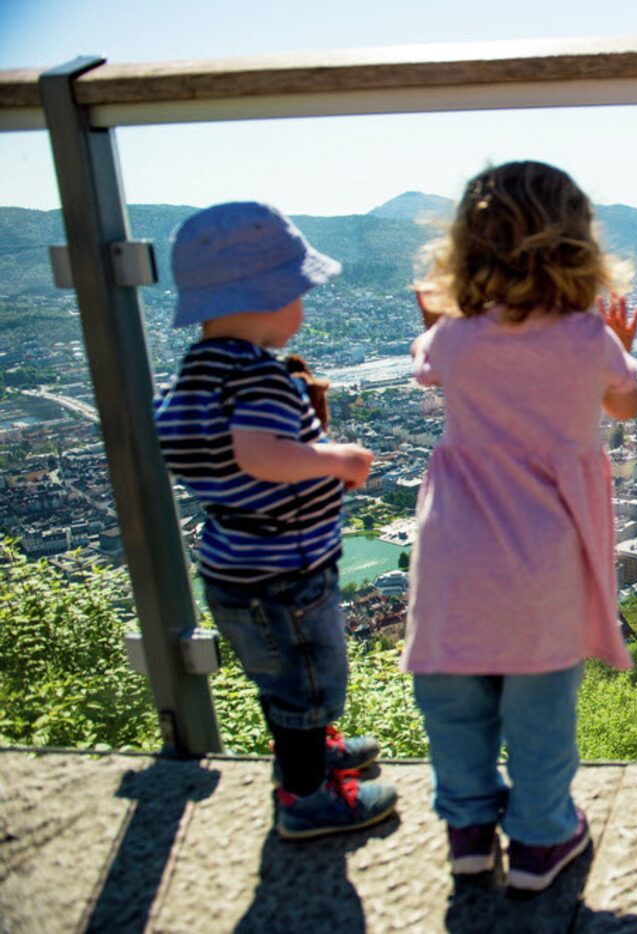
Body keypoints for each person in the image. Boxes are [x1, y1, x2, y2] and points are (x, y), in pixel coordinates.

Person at [404, 161, 637, 892]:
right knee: (538, 710)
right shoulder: (586, 338)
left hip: (453, 552)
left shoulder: (455, 337)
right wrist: (620, 347)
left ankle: (469, 835)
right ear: (579, 250)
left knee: (453, 702)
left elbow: (428, 366)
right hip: (545, 553)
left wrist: (438, 322)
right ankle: (542, 840)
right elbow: (625, 404)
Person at [152, 202, 398, 840]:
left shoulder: (193, 376)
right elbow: (260, 455)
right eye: (299, 295)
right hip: (286, 571)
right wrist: (337, 458)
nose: (304, 311)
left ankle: (307, 755)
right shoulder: (258, 376)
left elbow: (189, 445)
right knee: (310, 680)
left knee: (280, 682)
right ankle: (309, 798)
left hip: (232, 563)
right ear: (265, 295)